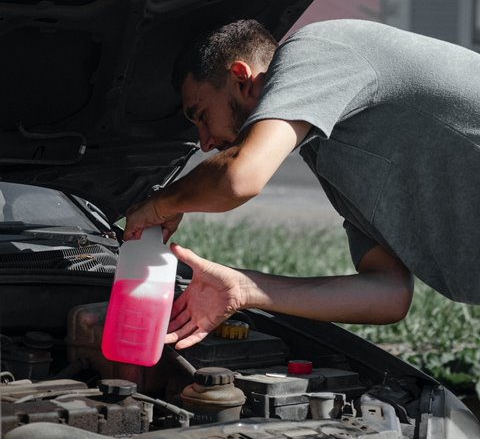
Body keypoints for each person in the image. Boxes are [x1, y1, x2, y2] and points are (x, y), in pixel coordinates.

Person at [124, 18, 480, 349]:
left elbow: (239, 177)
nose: (203, 142)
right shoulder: (330, 156)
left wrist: (161, 204)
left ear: (240, 77)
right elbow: (388, 295)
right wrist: (244, 288)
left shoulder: (316, 48)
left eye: (201, 116)